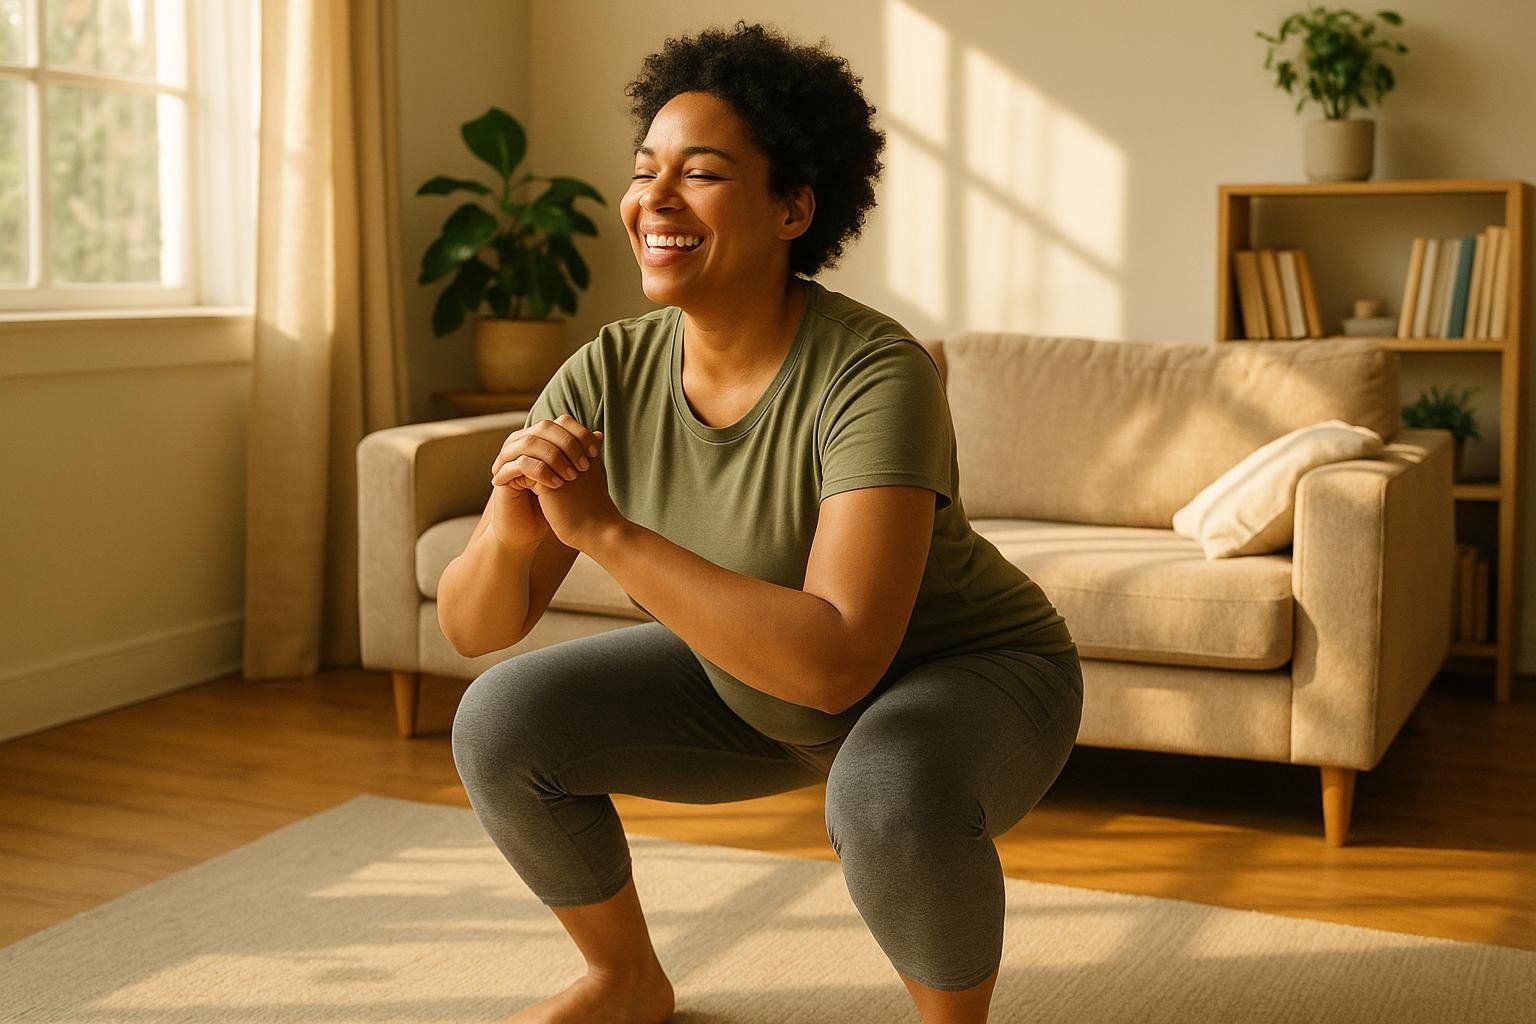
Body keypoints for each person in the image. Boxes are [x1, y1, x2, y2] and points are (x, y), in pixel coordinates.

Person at [439, 19, 1082, 1024]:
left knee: (884, 787)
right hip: (752, 691)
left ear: (794, 208)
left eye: (699, 173)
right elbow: (472, 630)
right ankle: (626, 980)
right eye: (645, 168)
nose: (652, 198)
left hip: (969, 678)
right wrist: (515, 532)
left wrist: (604, 532)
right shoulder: (607, 370)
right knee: (501, 719)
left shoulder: (874, 372)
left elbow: (836, 663)